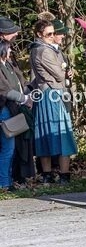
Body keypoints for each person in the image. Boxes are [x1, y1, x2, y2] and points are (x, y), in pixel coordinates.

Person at [28, 14, 77, 184]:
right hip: (51, 95)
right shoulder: (43, 50)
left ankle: (50, 174)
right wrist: (65, 72)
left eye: (52, 33)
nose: (52, 36)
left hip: (51, 92)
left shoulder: (46, 49)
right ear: (39, 34)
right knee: (57, 134)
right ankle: (60, 175)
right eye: (48, 34)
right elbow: (59, 75)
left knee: (48, 134)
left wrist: (65, 72)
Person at [0, 40, 33, 190]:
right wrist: (25, 99)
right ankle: (4, 183)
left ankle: (7, 180)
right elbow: (5, 90)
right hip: (5, 110)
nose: (10, 51)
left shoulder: (8, 65)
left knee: (11, 149)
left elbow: (20, 84)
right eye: (8, 48)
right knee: (8, 148)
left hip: (13, 109)